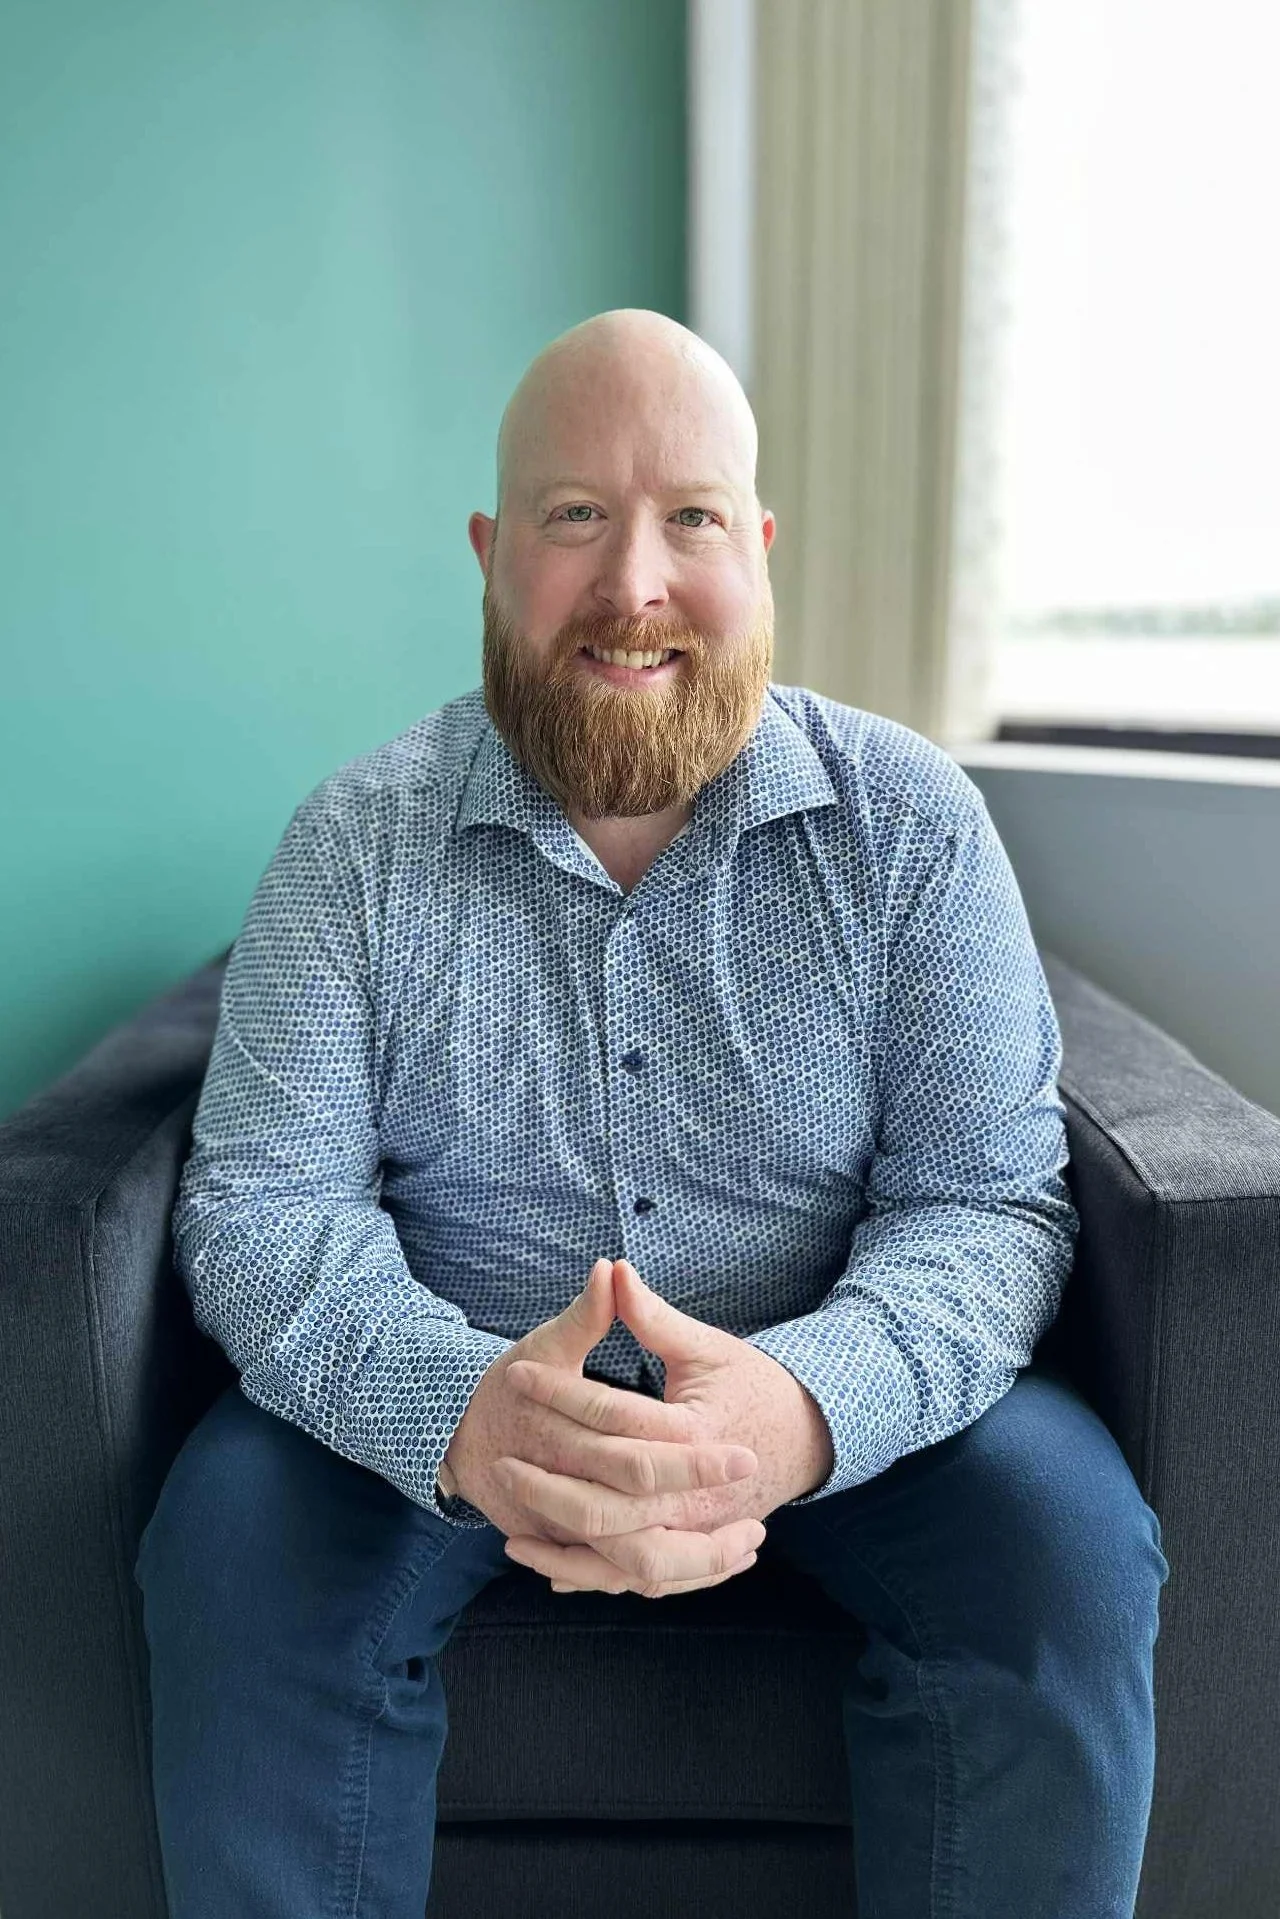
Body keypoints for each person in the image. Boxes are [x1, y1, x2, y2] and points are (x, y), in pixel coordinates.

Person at [134, 308, 1170, 1918]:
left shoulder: (913, 832)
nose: (633, 583)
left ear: (756, 547)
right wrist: (463, 1408)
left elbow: (984, 1201)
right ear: (491, 554)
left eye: (688, 516)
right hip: (449, 1379)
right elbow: (268, 1207)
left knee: (1069, 1540)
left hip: (840, 1369)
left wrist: (797, 1408)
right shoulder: (353, 844)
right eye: (574, 517)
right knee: (230, 1530)